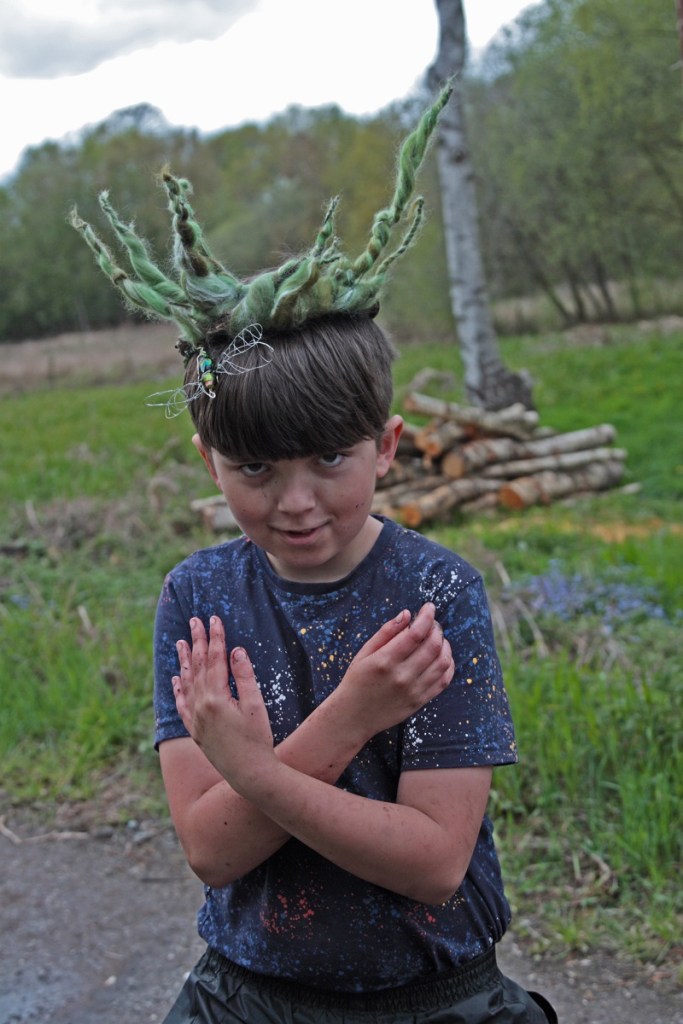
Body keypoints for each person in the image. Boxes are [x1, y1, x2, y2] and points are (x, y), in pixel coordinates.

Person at [72, 84, 556, 1023]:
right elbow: (211, 852)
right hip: (245, 995)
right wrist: (352, 718)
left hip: (430, 999)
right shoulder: (199, 597)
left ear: (386, 446)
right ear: (209, 460)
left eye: (330, 459)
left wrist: (252, 768)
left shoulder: (434, 592)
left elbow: (433, 862)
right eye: (254, 468)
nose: (294, 503)